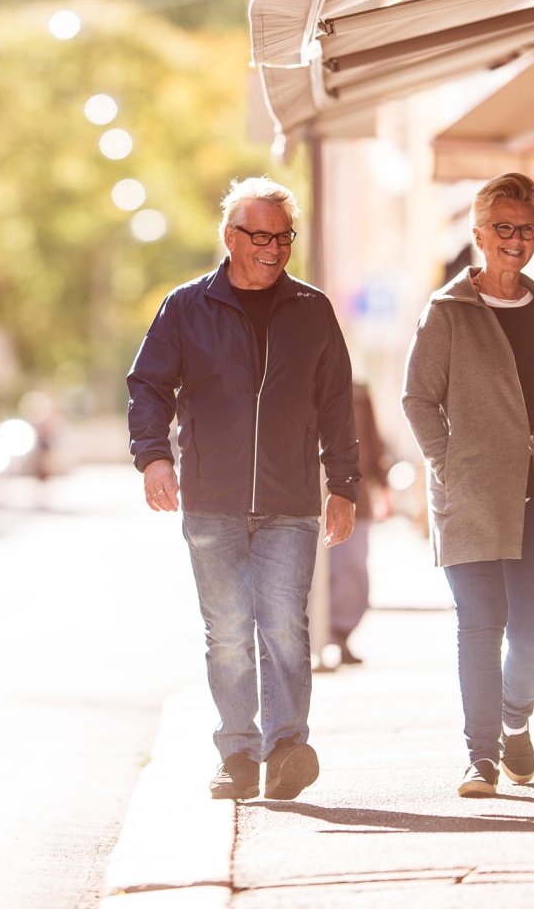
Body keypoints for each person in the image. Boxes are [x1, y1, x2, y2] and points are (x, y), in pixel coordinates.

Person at [127, 175, 361, 802]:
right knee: (229, 629)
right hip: (212, 501)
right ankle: (237, 754)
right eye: (259, 236)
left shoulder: (312, 310)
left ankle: (287, 747)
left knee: (284, 624)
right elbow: (148, 385)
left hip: (290, 501)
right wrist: (153, 458)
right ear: (230, 238)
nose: (273, 248)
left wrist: (343, 484)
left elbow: (338, 401)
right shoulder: (187, 307)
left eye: (283, 237)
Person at [401, 172, 534, 798]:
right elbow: (417, 400)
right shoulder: (447, 311)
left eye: (526, 229)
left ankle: (514, 718)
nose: (515, 240)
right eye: (503, 228)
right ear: (479, 234)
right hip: (472, 494)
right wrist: (449, 465)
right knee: (480, 624)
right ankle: (481, 756)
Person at [327, 381, 390, 666]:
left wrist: (384, 486)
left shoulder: (359, 394)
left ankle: (341, 634)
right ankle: (319, 639)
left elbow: (372, 441)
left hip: (355, 499)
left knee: (352, 572)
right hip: (306, 500)